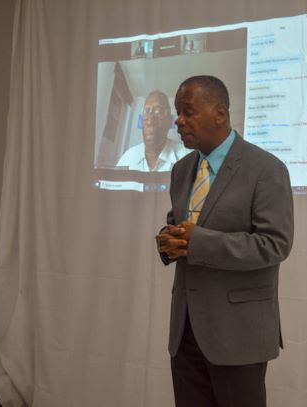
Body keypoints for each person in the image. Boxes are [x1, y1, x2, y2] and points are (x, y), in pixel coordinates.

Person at [155, 75, 294, 407]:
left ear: (219, 114)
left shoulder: (266, 169)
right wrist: (169, 240)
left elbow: (274, 244)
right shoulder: (181, 169)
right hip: (186, 331)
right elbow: (181, 225)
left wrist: (198, 242)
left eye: (187, 111)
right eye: (177, 112)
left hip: (238, 334)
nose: (178, 121)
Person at [117, 90, 185, 171]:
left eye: (159, 111)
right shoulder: (128, 158)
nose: (150, 121)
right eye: (146, 111)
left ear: (170, 121)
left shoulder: (187, 158)